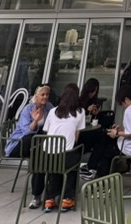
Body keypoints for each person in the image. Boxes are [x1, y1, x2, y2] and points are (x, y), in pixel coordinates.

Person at [34, 83, 86, 212]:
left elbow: (46, 130)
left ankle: (49, 199)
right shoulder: (80, 112)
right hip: (66, 155)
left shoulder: (53, 111)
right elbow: (76, 137)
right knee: (72, 165)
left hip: (47, 154)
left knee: (54, 168)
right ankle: (67, 199)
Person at [85, 84, 131, 179]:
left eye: (122, 104)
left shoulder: (130, 111)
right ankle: (93, 168)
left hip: (129, 147)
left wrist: (116, 133)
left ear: (127, 99)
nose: (123, 106)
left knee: (105, 151)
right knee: (105, 138)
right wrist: (119, 131)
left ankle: (100, 178)